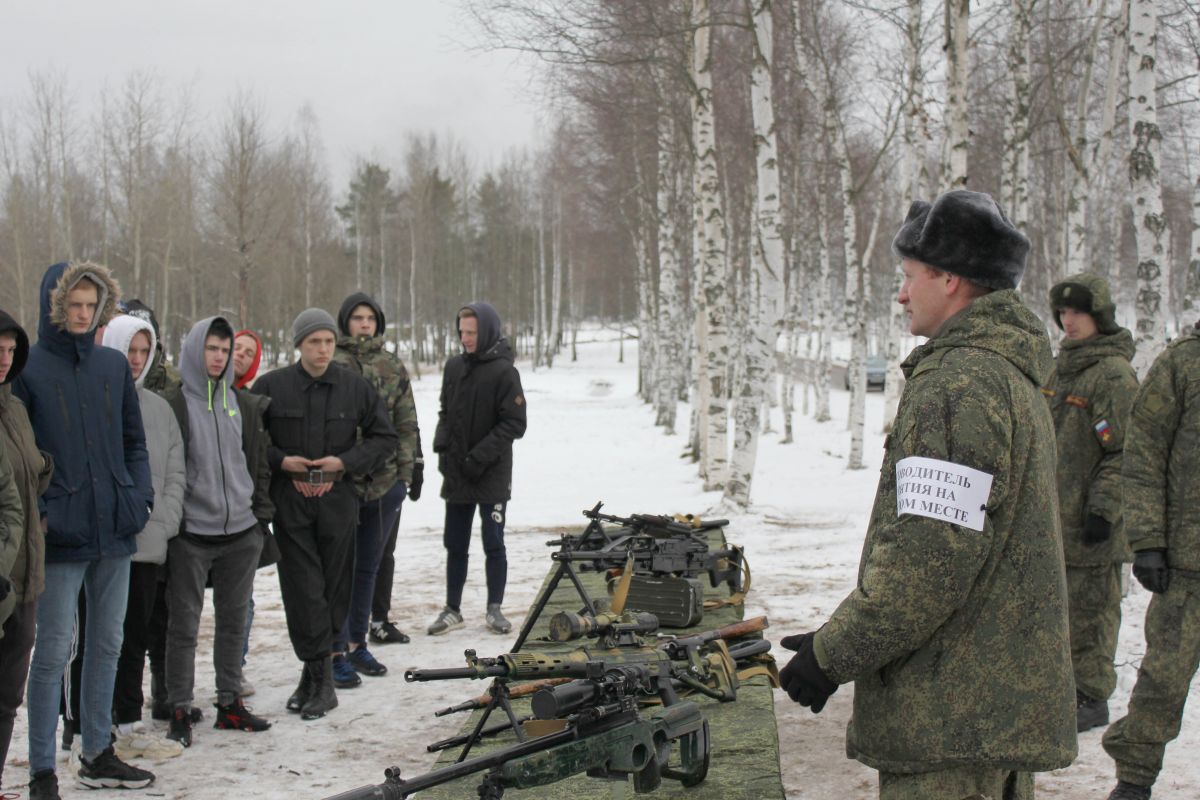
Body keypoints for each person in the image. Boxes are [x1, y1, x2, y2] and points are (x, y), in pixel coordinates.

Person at [778, 191, 1076, 799]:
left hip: (952, 723)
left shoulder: (958, 384)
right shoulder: (1005, 372)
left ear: (950, 278)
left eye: (910, 277)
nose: (902, 294)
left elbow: (927, 563)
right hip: (988, 709)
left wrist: (830, 655)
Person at [14, 262, 156, 797]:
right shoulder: (27, 372)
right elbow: (23, 460)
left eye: (90, 305)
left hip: (115, 527)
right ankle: (42, 769)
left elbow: (134, 442)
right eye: (72, 304)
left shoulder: (112, 367)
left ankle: (97, 751)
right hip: (61, 535)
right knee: (53, 650)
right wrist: (45, 512)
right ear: (53, 305)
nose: (81, 314)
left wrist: (138, 496)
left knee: (109, 642)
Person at [251, 308, 397, 720]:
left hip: (337, 502)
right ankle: (316, 677)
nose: (323, 349)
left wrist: (342, 463)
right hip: (291, 503)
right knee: (301, 589)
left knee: (333, 590)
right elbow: (251, 438)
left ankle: (319, 679)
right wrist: (285, 463)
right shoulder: (272, 386)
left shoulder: (355, 387)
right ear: (299, 344)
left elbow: (384, 437)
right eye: (314, 342)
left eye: (329, 342)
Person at [1100, 320, 1200, 800]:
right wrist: (1148, 541)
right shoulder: (1182, 363)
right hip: (1188, 566)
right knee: (1163, 680)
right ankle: (1134, 780)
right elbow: (1143, 453)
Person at [163, 316, 274, 747]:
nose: (218, 357)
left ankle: (230, 704)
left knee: (233, 623)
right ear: (195, 349)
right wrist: (175, 524)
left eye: (225, 351)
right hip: (191, 535)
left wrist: (259, 520)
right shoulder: (175, 403)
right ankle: (179, 708)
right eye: (211, 348)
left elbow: (257, 464)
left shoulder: (240, 404)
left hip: (241, 533)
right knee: (184, 626)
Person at [1044, 274, 1138, 734]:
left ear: (1099, 316)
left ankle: (1091, 695)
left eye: (1078, 312)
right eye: (1063, 312)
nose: (1069, 321)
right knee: (1053, 613)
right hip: (1049, 520)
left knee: (1091, 617)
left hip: (1090, 524)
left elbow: (1124, 452)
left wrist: (1103, 508)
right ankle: (1058, 689)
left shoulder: (1114, 375)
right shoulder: (1059, 367)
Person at [95, 315, 188, 760]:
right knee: (96, 639)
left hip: (148, 544)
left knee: (136, 637)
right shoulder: (94, 398)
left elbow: (174, 472)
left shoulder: (159, 408)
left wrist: (164, 523)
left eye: (142, 352)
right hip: (101, 543)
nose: (134, 360)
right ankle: (84, 726)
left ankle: (129, 720)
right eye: (128, 350)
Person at [329, 293, 421, 687]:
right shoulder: (334, 363)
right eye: (357, 318)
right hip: (342, 482)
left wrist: (406, 474)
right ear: (345, 322)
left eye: (370, 318)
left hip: (385, 483)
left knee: (369, 565)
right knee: (339, 569)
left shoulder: (391, 365)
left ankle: (357, 641)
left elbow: (406, 422)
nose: (364, 324)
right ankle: (335, 648)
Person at [427, 302, 526, 636]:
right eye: (461, 332)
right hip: (457, 474)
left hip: (491, 474)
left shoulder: (504, 371)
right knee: (455, 543)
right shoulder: (454, 367)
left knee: (492, 541)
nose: (465, 338)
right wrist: (442, 449)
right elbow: (445, 412)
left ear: (487, 331)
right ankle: (452, 608)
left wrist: (478, 457)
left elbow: (514, 424)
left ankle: (494, 608)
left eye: (472, 332)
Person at [0, 310, 52, 792]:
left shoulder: (14, 408)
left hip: (26, 577)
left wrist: (46, 468)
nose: (4, 359)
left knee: (6, 697)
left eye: (11, 350)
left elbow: (27, 476)